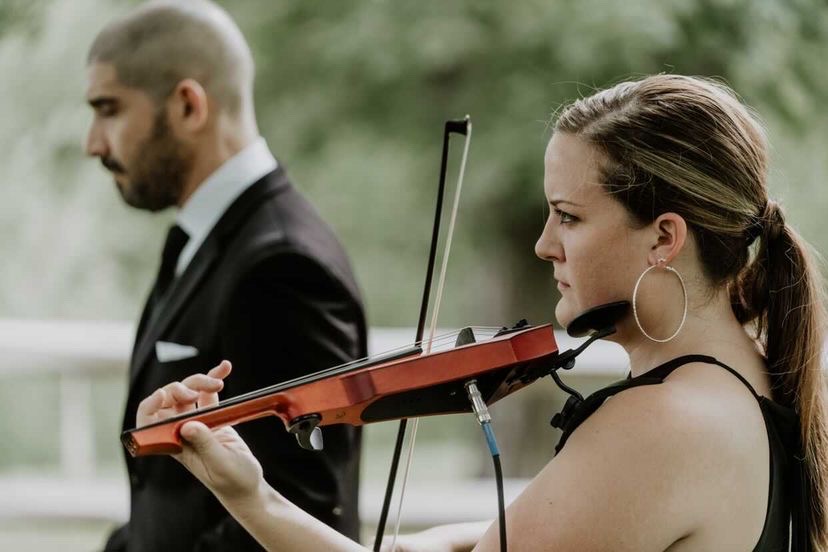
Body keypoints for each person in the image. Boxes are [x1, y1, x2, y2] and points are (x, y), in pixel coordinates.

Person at [134, 74, 827, 551]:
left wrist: (251, 499)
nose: (544, 244)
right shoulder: (746, 384)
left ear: (664, 238)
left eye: (569, 217)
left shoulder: (661, 424)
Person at [84, 1, 366, 550]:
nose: (92, 142)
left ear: (189, 106)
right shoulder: (207, 239)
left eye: (109, 109)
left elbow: (296, 514)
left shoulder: (284, 266)